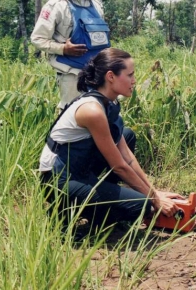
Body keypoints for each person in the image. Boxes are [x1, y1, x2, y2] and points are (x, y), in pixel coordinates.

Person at [40, 48, 183, 238]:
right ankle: (62, 214)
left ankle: (100, 212)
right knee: (142, 205)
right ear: (111, 77)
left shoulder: (110, 103)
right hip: (58, 180)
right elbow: (120, 167)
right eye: (130, 75)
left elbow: (126, 156)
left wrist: (154, 192)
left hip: (78, 170)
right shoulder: (92, 110)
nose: (134, 81)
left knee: (127, 134)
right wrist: (155, 200)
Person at [31, 0, 110, 110]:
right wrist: (63, 49)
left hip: (99, 73)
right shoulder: (56, 5)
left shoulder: (97, 5)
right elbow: (37, 38)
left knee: (105, 111)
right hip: (72, 74)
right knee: (73, 113)